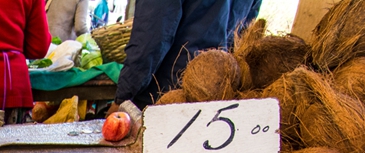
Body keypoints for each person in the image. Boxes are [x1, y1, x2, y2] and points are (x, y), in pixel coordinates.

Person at [112, 0, 262, 108]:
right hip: (217, 92)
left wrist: (123, 99)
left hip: (166, 93)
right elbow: (243, 34)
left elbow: (150, 37)